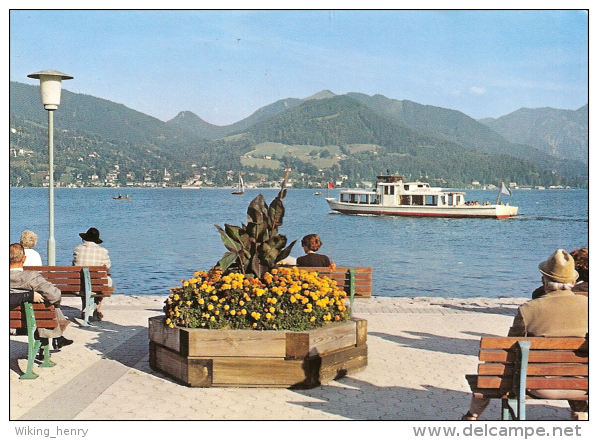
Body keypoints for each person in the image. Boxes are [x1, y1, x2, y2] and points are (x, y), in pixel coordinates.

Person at [462, 249, 588, 421]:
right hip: (584, 385)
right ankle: (581, 415)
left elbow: (510, 349)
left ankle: (471, 416)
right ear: (574, 281)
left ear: (544, 280)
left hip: (538, 386)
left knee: (496, 367)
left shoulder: (528, 309)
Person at [9, 243, 73, 350]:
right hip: (34, 323)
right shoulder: (31, 277)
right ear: (23, 259)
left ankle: (58, 337)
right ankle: (57, 337)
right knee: (47, 304)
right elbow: (55, 295)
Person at [72, 227, 112, 321]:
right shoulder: (103, 251)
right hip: (97, 286)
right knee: (105, 280)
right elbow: (107, 266)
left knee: (83, 280)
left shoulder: (77, 249)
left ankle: (85, 309)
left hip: (78, 287)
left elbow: (74, 265)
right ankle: (97, 308)